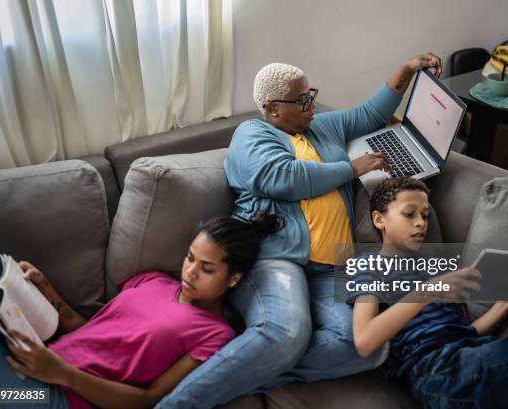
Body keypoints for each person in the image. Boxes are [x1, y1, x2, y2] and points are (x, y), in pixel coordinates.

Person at [155, 53, 443, 409]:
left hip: (329, 271)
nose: (312, 104)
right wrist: (350, 169)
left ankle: (237, 376)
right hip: (275, 260)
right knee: (288, 332)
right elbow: (283, 178)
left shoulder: (323, 126)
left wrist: (408, 70)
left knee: (364, 348)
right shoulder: (251, 134)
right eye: (303, 99)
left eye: (311, 94)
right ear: (274, 108)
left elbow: (371, 114)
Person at [0, 214, 281, 409]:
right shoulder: (154, 280)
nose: (190, 271)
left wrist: (62, 374)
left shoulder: (215, 335)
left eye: (207, 268)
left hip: (56, 398)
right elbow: (92, 331)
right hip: (37, 354)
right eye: (189, 258)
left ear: (234, 278)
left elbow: (148, 401)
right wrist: (44, 288)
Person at [352, 177, 508, 409]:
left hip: (469, 360)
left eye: (424, 215)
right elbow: (364, 341)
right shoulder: (370, 265)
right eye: (409, 214)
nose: (421, 223)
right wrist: (430, 290)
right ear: (379, 219)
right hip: (439, 371)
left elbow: (467, 333)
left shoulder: (434, 271)